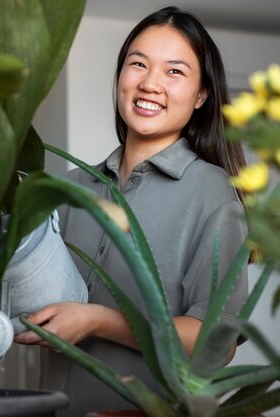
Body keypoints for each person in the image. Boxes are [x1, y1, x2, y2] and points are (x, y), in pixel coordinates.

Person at [14, 6, 248, 416]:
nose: (150, 83)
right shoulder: (68, 188)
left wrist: (99, 321)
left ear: (201, 95)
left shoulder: (212, 192)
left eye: (174, 72)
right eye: (137, 64)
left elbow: (217, 343)